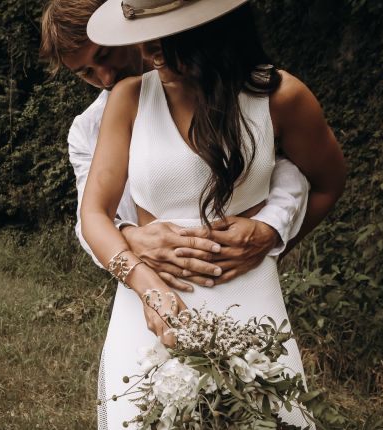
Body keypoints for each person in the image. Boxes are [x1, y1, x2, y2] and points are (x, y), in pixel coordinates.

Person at [80, 0, 346, 430]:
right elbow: (93, 215)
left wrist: (271, 238)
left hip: (252, 310)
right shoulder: (131, 98)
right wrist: (145, 284)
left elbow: (327, 182)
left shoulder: (282, 97)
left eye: (167, 38)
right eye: (147, 38)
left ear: (215, 28)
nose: (151, 52)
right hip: (147, 310)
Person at [40, 0, 314, 293]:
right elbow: (90, 217)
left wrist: (271, 229)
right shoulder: (88, 130)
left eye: (106, 55)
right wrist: (128, 240)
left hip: (242, 281)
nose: (105, 78)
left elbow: (282, 165)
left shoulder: (244, 90)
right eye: (87, 73)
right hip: (150, 285)